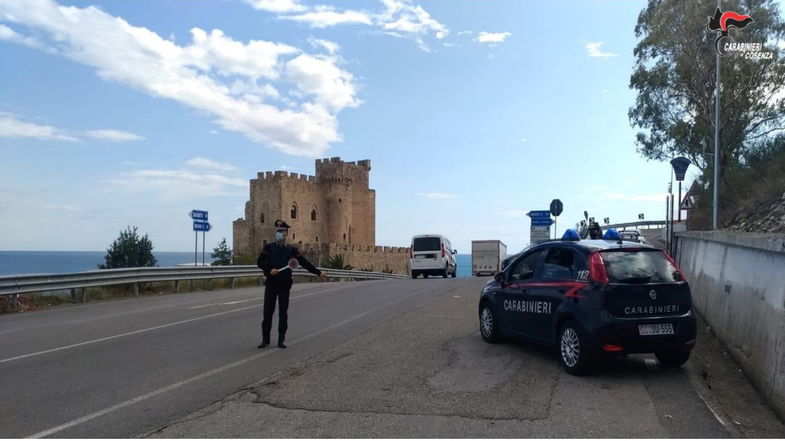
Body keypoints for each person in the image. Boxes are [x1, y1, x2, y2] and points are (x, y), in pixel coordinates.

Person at [256, 219, 328, 348]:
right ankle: (265, 340)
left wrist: (318, 272)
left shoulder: (291, 250)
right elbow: (260, 262)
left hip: (284, 285)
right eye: (278, 231)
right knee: (267, 312)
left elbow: (304, 262)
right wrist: (268, 270)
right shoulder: (268, 248)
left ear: (286, 233)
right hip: (271, 284)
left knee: (283, 313)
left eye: (282, 231)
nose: (280, 233)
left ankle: (281, 340)